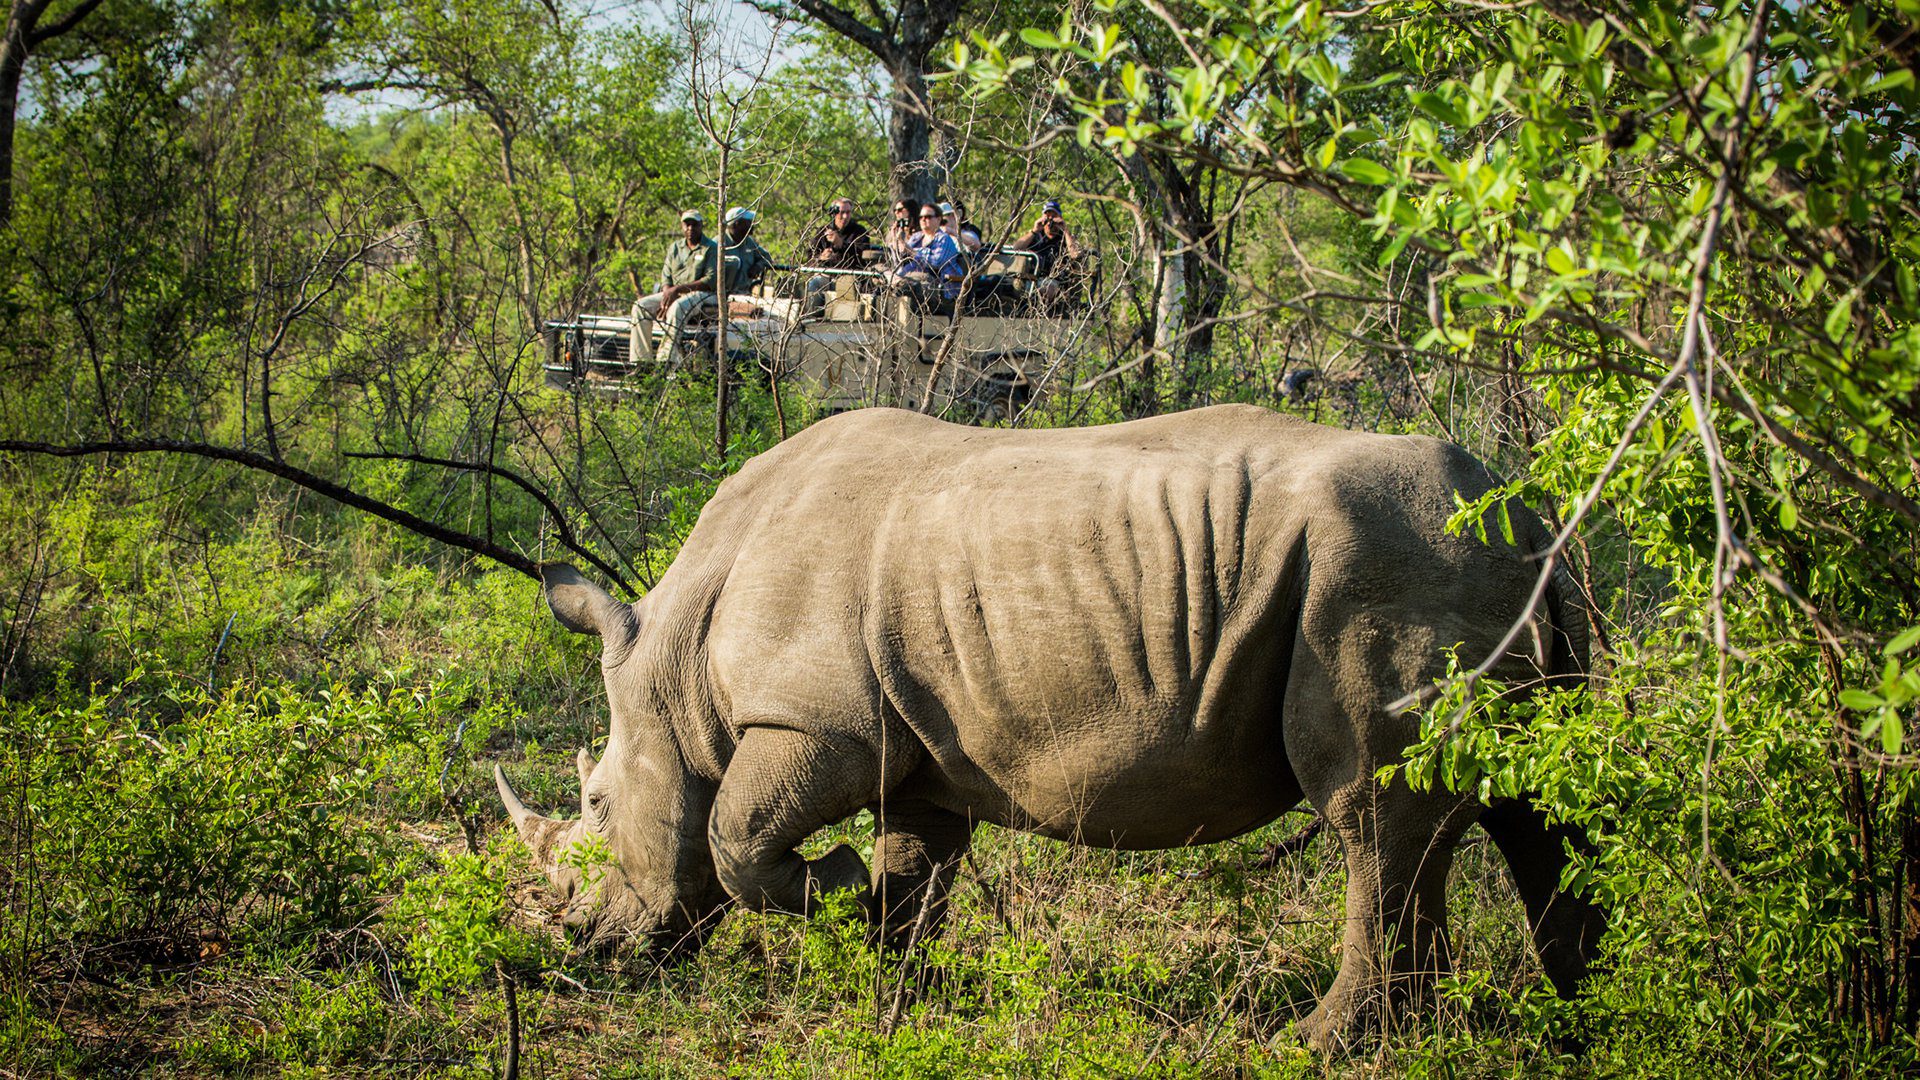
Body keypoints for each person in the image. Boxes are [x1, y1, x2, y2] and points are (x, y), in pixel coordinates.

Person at [632, 209, 720, 366]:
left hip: (701, 294)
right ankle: (642, 362)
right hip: (673, 292)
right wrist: (667, 294)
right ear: (682, 226)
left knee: (677, 308)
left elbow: (709, 281)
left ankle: (666, 360)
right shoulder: (675, 247)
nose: (690, 228)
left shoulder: (710, 247)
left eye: (694, 224)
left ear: (701, 225)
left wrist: (677, 290)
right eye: (687, 224)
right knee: (640, 306)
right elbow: (666, 275)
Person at [890, 202, 966, 307]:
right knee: (878, 274)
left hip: (937, 286)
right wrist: (896, 242)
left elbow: (936, 263)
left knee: (905, 285)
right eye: (921, 217)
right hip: (911, 280)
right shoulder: (916, 237)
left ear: (939, 219)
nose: (923, 220)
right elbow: (900, 262)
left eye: (928, 217)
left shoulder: (944, 238)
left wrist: (912, 251)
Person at [1011, 199, 1084, 306]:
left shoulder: (1065, 239)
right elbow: (1016, 248)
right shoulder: (1035, 236)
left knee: (1047, 288)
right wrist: (1034, 230)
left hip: (1053, 280)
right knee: (1010, 285)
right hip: (1029, 277)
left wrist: (1065, 230)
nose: (1050, 219)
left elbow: (1076, 254)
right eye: (1047, 215)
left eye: (1053, 215)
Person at [805, 198, 872, 293]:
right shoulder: (823, 231)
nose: (845, 216)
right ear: (834, 213)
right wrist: (821, 257)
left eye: (848, 212)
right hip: (826, 275)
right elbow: (809, 256)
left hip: (849, 277)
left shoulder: (859, 232)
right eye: (842, 212)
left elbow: (861, 257)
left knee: (847, 288)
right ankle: (811, 308)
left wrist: (841, 244)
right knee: (814, 283)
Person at [721, 206, 775, 296]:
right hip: (721, 296)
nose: (752, 225)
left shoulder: (749, 242)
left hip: (744, 293)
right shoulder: (719, 244)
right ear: (737, 224)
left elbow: (767, 257)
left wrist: (757, 266)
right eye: (748, 222)